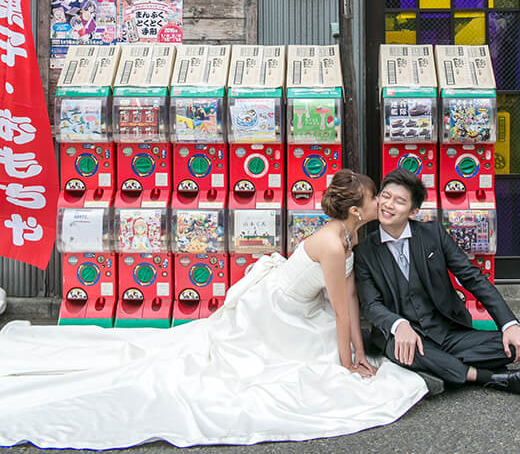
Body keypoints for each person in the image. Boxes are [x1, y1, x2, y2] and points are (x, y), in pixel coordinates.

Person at [0, 171, 427, 448]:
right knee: (231, 375)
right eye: (377, 199)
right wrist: (347, 362)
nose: (383, 205)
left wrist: (355, 353)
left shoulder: (349, 236)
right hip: (277, 309)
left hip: (301, 308)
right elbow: (339, 308)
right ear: (357, 210)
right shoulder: (335, 244)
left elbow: (350, 302)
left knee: (321, 355)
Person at [355, 169, 520, 397]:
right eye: (385, 196)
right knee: (404, 349)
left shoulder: (432, 234)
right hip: (402, 336)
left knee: (512, 347)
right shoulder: (364, 251)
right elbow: (371, 305)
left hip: (446, 332)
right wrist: (398, 324)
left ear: (413, 211)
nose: (389, 205)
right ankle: (486, 377)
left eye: (400, 201)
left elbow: (471, 277)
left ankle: (436, 369)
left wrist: (508, 323)